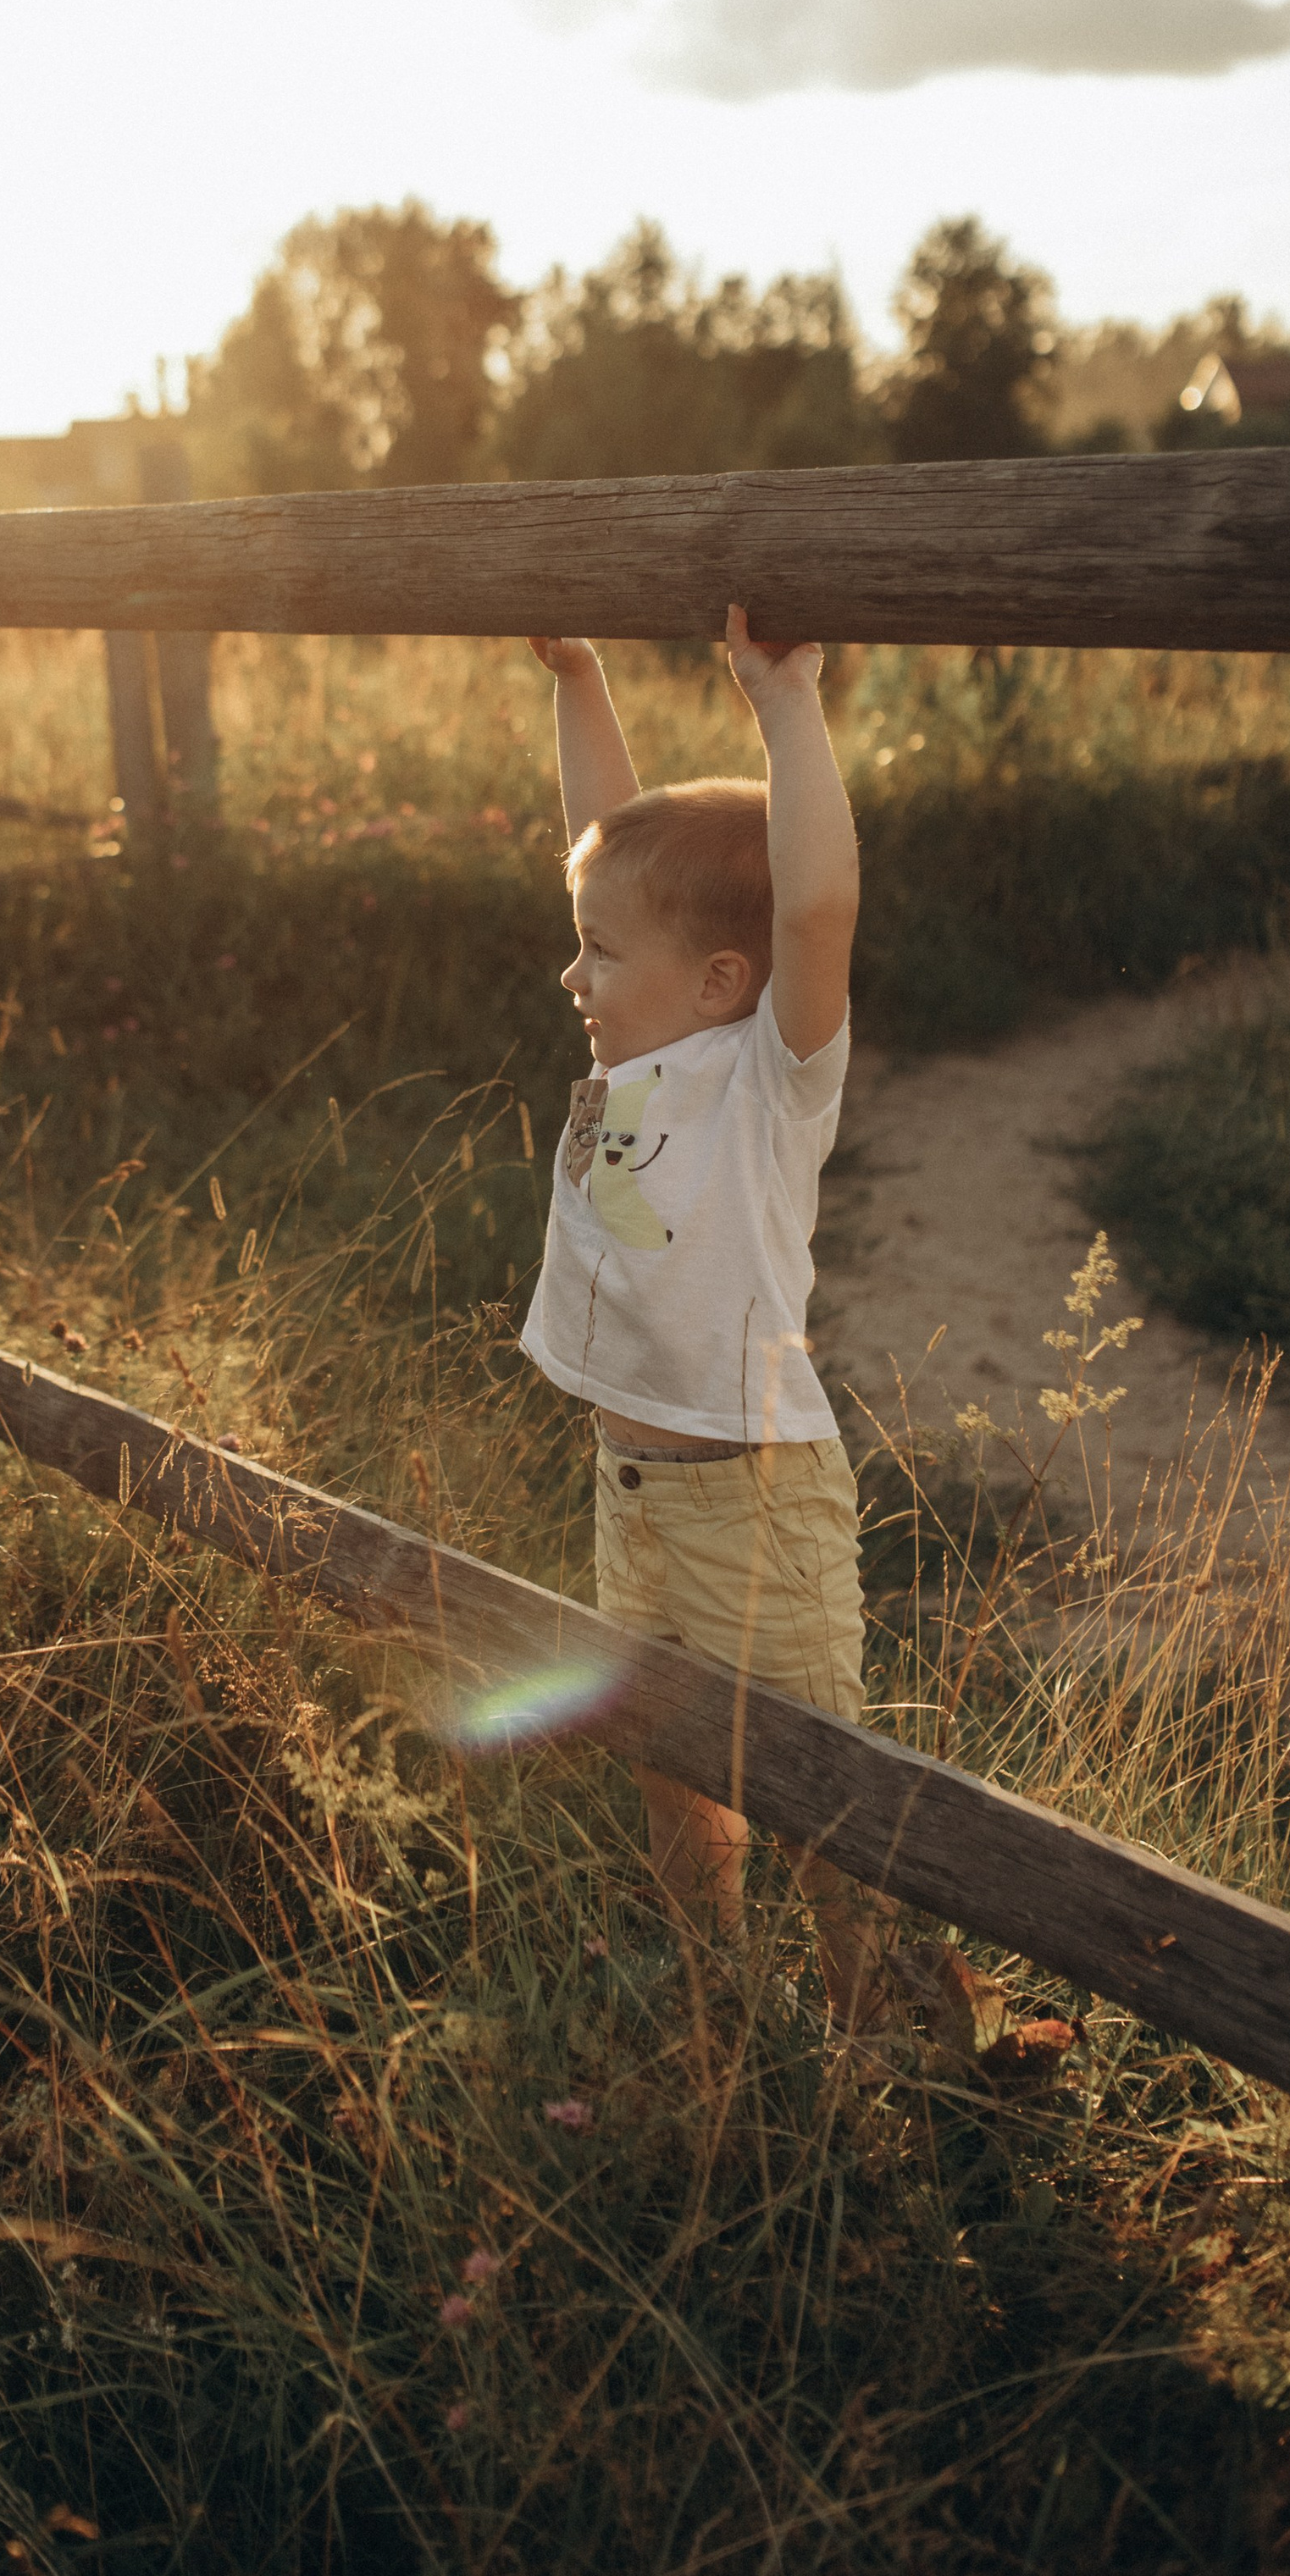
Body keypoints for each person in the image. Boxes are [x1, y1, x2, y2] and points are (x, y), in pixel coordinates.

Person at [521, 608, 889, 2026]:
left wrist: (785, 700)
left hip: (756, 1500)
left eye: (600, 957)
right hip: (635, 1498)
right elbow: (606, 838)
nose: (576, 977)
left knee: (823, 1804)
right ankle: (722, 1996)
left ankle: (868, 2025)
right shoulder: (641, 1048)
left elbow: (812, 910)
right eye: (583, 948)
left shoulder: (767, 1079)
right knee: (673, 1779)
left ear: (720, 983)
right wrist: (579, 675)